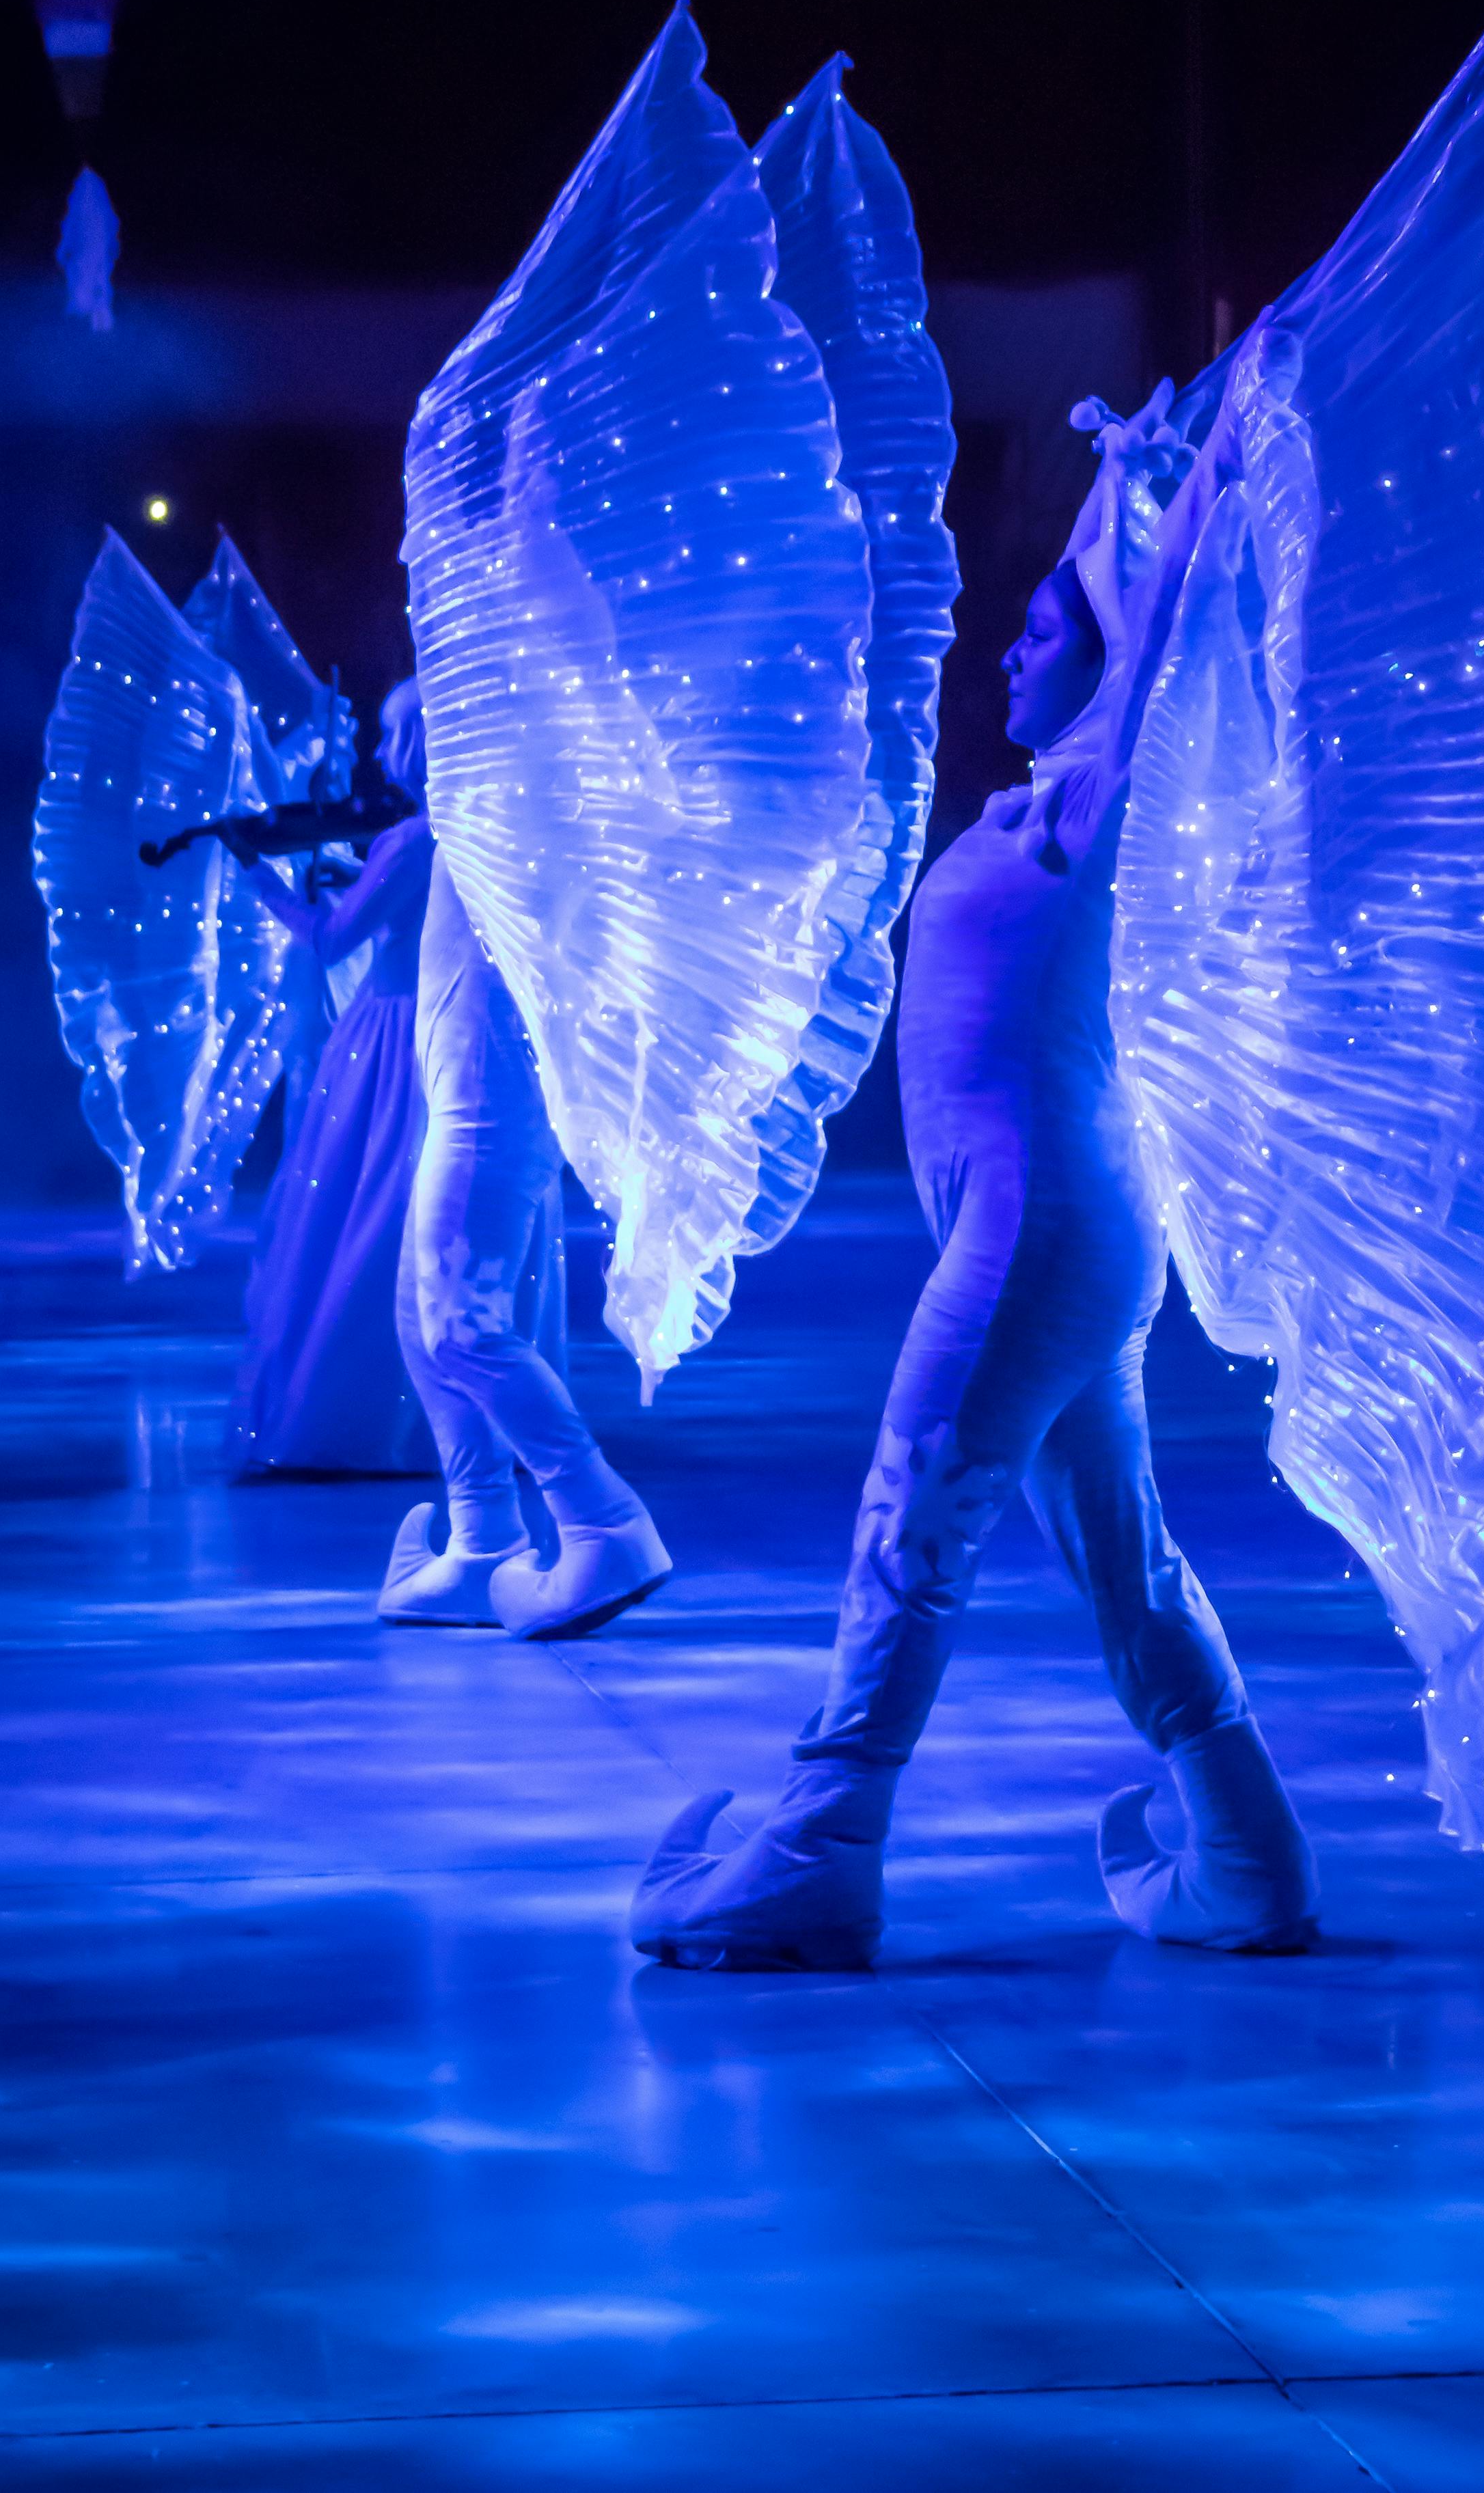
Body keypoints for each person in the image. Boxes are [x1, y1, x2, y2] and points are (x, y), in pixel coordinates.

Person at [631, 386, 1316, 1968]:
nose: (1008, 654)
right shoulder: (1045, 802)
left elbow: (1158, 628)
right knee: (1118, 1551)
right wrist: (1118, 478)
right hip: (1057, 1224)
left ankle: (821, 1846)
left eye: (1038, 630)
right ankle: (1249, 1854)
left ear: (1100, 654)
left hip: (1040, 1227)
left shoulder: (1101, 792)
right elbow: (1114, 598)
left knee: (915, 1510)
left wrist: (1201, 464)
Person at [379, 842, 674, 1639]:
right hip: (467, 1093)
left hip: (488, 1098)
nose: (390, 746)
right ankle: (482, 1542)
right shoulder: (475, 793)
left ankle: (605, 1523)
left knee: (461, 1330)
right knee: (423, 1322)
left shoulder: (510, 776)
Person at [227, 679, 439, 1476]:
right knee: (396, 1218)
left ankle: (349, 1416)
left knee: (361, 1219)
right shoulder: (444, 836)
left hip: (388, 1041)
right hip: (425, 1031)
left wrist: (262, 879)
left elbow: (328, 943)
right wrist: (357, 873)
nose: (380, 757)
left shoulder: (415, 840)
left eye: (393, 739)